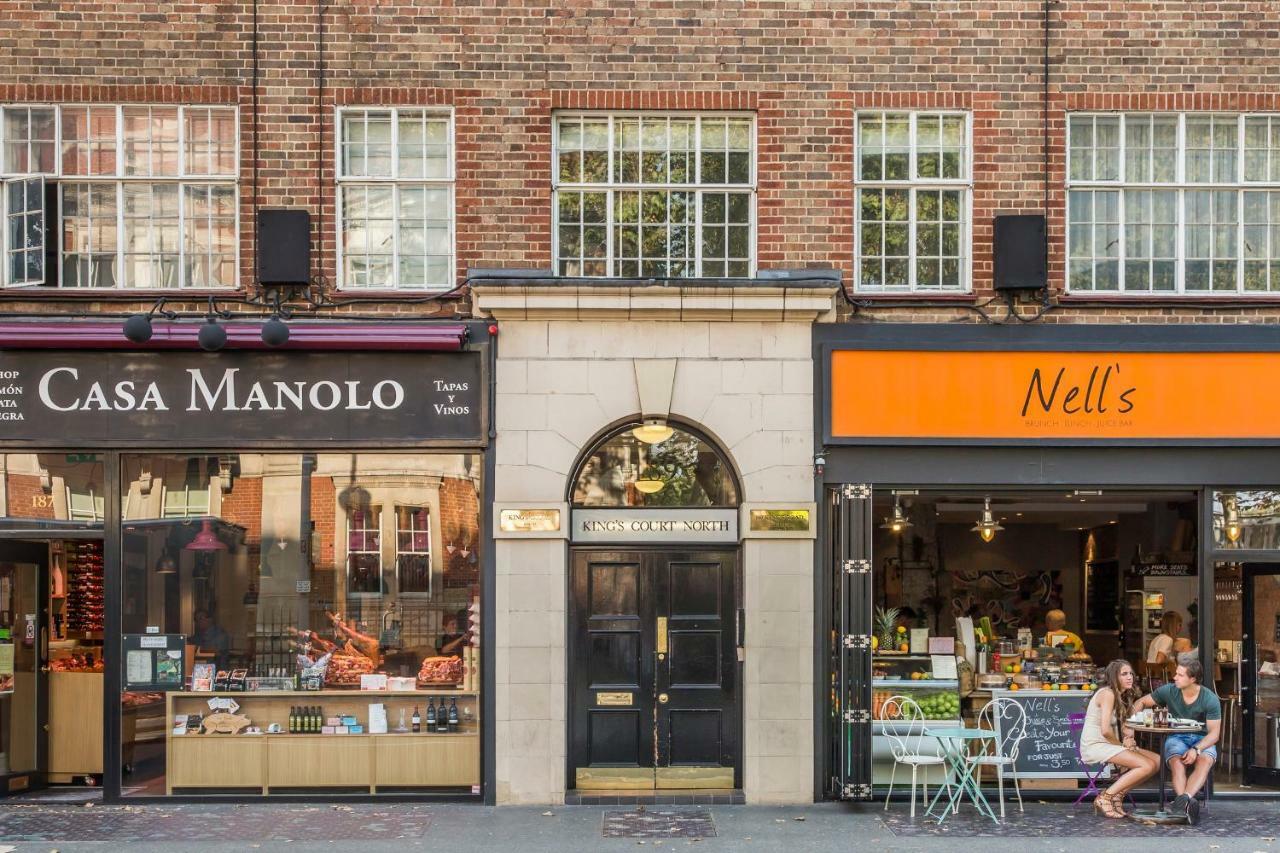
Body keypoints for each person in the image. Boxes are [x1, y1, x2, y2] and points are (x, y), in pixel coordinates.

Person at [1133, 659, 1221, 825]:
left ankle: (1182, 802)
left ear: (1193, 679)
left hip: (1202, 739)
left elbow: (1214, 734)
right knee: (1177, 761)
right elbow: (1142, 701)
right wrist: (1130, 722)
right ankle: (1185, 805)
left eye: (1180, 675)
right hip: (1177, 736)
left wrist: (1196, 749)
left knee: (1205, 760)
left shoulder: (1210, 699)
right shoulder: (1169, 691)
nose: (1174, 677)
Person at [1079, 659, 1159, 818]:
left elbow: (1123, 726)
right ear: (1114, 677)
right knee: (1146, 765)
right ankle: (1106, 797)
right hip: (1096, 744)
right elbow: (1105, 731)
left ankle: (1117, 796)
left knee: (1156, 760)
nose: (1130, 677)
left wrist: (1129, 740)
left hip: (1110, 744)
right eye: (1124, 674)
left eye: (1130, 673)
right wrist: (1123, 745)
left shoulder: (1121, 695)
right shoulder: (1107, 694)